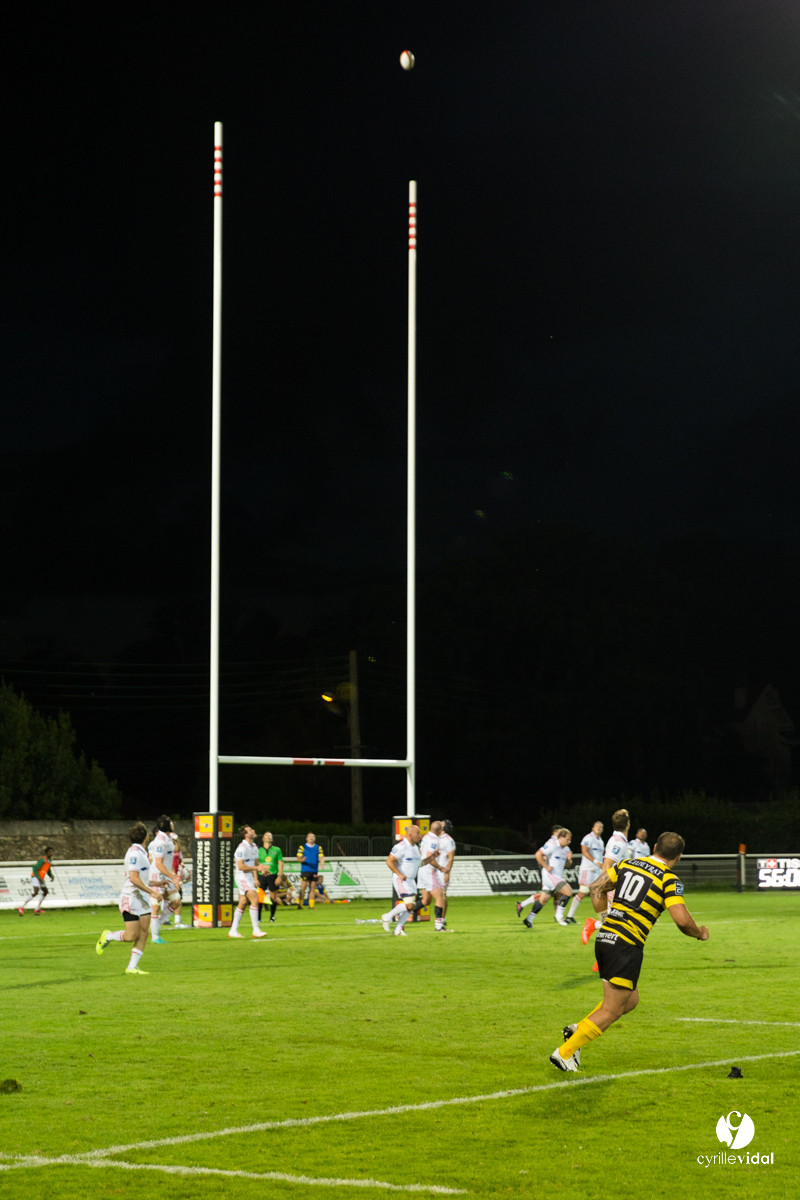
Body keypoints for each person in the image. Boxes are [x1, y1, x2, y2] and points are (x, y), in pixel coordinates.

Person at [550, 831, 709, 1071]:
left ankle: (578, 1030)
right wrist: (700, 933)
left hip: (605, 938)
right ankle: (565, 1052)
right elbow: (682, 921)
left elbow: (596, 887)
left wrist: (604, 917)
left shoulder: (627, 864)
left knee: (630, 1000)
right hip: (626, 944)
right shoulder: (669, 880)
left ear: (654, 847)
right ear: (679, 857)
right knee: (612, 1009)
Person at [95, 822, 160, 975]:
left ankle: (131, 967)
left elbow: (142, 878)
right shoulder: (134, 854)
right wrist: (153, 892)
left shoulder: (142, 853)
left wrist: (158, 883)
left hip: (142, 898)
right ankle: (108, 936)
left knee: (144, 932)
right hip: (131, 898)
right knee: (132, 936)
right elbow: (133, 878)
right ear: (146, 837)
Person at [582, 809, 632, 946]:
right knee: (616, 925)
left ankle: (595, 925)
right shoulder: (618, 842)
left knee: (613, 924)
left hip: (618, 887)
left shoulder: (619, 840)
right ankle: (594, 925)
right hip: (613, 888)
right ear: (628, 824)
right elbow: (607, 865)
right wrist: (608, 891)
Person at [517, 829, 574, 927]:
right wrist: (546, 866)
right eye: (568, 839)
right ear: (561, 837)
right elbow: (538, 854)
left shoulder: (566, 849)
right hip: (550, 875)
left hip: (556, 876)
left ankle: (528, 919)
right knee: (568, 891)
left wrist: (569, 859)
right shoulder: (552, 844)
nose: (569, 842)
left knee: (544, 899)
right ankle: (559, 915)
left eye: (570, 840)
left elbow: (567, 864)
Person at [381, 825, 423, 936]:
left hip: (411, 880)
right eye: (417, 833)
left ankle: (398, 929)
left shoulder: (415, 847)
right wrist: (400, 874)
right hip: (401, 879)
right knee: (409, 905)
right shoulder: (401, 846)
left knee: (411, 907)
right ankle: (387, 916)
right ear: (410, 834)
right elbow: (389, 861)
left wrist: (432, 857)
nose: (420, 836)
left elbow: (420, 863)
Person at [147, 816, 183, 943]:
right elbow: (158, 864)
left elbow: (168, 861)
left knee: (176, 900)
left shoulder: (168, 838)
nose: (173, 823)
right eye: (170, 822)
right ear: (167, 825)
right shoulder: (159, 842)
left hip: (167, 874)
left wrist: (174, 874)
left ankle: (156, 924)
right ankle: (155, 936)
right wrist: (173, 877)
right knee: (155, 905)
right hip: (157, 875)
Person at [229, 824, 267, 939]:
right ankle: (256, 930)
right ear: (246, 835)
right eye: (250, 830)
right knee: (255, 899)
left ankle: (233, 930)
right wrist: (256, 868)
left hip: (249, 877)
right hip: (242, 877)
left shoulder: (254, 846)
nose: (253, 830)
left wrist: (259, 874)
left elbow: (255, 864)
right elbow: (240, 866)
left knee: (243, 903)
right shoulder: (242, 848)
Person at [565, 821, 604, 922]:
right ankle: (569, 916)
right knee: (583, 892)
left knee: (601, 893)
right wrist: (596, 861)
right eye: (597, 826)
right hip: (587, 869)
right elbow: (584, 851)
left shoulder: (600, 841)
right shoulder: (588, 838)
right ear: (593, 828)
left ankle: (604, 918)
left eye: (601, 827)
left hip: (597, 871)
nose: (599, 828)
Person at [418, 820, 446, 931]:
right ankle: (439, 926)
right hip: (429, 870)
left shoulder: (426, 837)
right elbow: (429, 856)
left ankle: (401, 914)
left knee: (426, 900)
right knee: (440, 897)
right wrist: (440, 867)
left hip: (421, 870)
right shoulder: (435, 840)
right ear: (440, 831)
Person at [258, 830, 285, 924]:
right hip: (262, 876)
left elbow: (281, 863)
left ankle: (272, 916)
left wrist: (279, 876)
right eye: (267, 835)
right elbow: (255, 863)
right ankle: (258, 918)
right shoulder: (258, 850)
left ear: (272, 839)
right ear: (263, 838)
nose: (269, 837)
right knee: (260, 897)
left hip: (273, 875)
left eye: (270, 835)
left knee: (273, 897)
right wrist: (260, 871)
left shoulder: (277, 849)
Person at [18, 847, 55, 914]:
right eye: (49, 851)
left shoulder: (49, 861)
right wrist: (38, 878)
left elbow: (48, 870)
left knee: (45, 891)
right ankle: (21, 907)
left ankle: (37, 908)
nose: (51, 853)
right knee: (36, 892)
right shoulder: (43, 859)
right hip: (35, 876)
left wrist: (51, 876)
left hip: (41, 877)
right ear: (46, 853)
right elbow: (35, 868)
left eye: (52, 851)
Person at [296, 832, 325, 908]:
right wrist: (301, 860)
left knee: (312, 887)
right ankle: (300, 904)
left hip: (314, 870)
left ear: (315, 838)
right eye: (310, 836)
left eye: (313, 836)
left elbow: (321, 857)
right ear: (307, 838)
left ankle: (311, 905)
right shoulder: (302, 847)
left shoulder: (318, 847)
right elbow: (298, 858)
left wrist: (322, 863)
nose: (311, 838)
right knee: (303, 887)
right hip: (305, 870)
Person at [437, 819, 456, 929]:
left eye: (441, 822)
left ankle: (442, 920)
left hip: (442, 872)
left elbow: (451, 857)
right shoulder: (435, 838)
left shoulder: (449, 840)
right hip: (431, 871)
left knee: (442, 895)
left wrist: (447, 872)